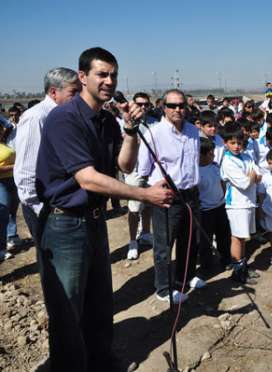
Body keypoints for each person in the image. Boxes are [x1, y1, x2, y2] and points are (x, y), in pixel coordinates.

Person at [35, 47, 173, 371]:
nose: (109, 81)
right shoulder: (64, 118)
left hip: (94, 224)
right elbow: (88, 179)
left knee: (99, 305)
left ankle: (102, 362)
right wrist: (144, 195)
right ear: (82, 77)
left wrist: (130, 130)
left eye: (113, 75)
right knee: (68, 313)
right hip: (65, 226)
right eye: (102, 74)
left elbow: (123, 164)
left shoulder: (107, 120)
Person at [137, 88, 203, 303]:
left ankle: (185, 278)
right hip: (168, 198)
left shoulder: (193, 131)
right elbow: (143, 170)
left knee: (190, 239)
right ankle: (164, 288)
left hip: (191, 195)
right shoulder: (154, 133)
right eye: (172, 105)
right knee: (165, 244)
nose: (177, 109)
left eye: (181, 105)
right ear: (163, 108)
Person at [14, 67, 79, 244]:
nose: (79, 97)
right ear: (53, 92)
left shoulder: (67, 116)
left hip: (62, 206)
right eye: (73, 92)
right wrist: (43, 210)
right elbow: (26, 172)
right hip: (45, 208)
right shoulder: (36, 118)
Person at [221, 123, 261, 284]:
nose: (237, 146)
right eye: (232, 143)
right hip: (236, 204)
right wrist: (251, 177)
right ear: (226, 143)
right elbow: (245, 183)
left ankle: (243, 266)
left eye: (239, 143)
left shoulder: (246, 156)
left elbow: (259, 175)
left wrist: (251, 177)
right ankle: (237, 271)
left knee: (244, 237)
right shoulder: (228, 161)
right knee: (237, 237)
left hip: (249, 202)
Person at [123, 92, 158, 260]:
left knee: (149, 204)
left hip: (151, 171)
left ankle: (145, 232)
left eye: (146, 104)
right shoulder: (127, 122)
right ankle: (132, 241)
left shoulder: (154, 123)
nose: (143, 107)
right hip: (134, 172)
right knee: (134, 208)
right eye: (139, 104)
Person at [198, 138, 231, 271]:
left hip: (220, 207)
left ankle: (226, 259)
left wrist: (222, 199)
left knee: (224, 235)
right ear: (201, 154)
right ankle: (206, 266)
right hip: (205, 211)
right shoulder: (195, 172)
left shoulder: (215, 166)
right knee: (205, 240)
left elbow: (222, 183)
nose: (213, 155)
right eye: (211, 153)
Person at [0, 125, 16, 261]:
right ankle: (2, 249)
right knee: (4, 216)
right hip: (2, 183)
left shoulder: (5, 144)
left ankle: (11, 237)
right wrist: (16, 166)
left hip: (12, 181)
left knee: (11, 212)